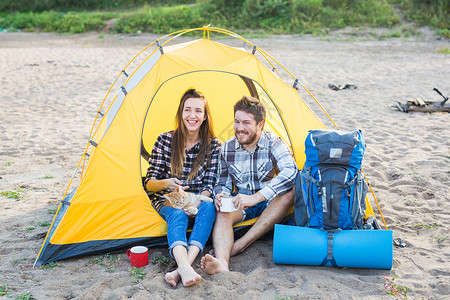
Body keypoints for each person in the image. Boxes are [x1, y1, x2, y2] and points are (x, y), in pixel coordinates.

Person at [200, 95, 298, 274]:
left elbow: (291, 172)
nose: (239, 128)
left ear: (260, 124)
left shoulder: (274, 143)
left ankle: (239, 245)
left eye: (246, 122)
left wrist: (257, 197)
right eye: (237, 122)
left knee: (289, 193)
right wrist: (220, 194)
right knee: (223, 211)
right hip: (243, 202)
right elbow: (223, 183)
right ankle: (222, 262)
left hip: (270, 202)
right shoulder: (227, 148)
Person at [144, 88, 220, 287]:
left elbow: (209, 185)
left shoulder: (213, 145)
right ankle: (185, 267)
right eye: (187, 110)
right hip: (168, 200)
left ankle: (182, 267)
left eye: (198, 111)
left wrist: (195, 201)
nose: (192, 116)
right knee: (178, 215)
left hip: (197, 201)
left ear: (204, 117)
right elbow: (150, 184)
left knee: (209, 207)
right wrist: (167, 183)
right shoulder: (165, 140)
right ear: (181, 113)